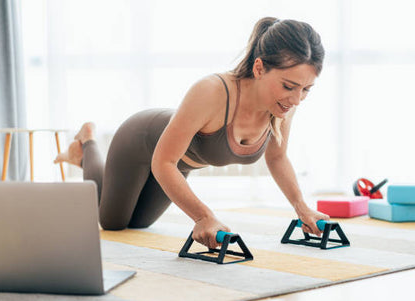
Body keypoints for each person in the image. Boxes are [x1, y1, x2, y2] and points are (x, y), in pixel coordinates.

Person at [55, 17, 330, 249]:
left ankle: (86, 152)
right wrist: (204, 217)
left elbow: (277, 158)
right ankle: (86, 146)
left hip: (177, 161)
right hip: (140, 141)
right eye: (289, 86)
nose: (296, 100)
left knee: (138, 223)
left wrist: (301, 207)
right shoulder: (212, 91)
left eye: (306, 89)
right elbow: (163, 162)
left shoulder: (283, 106)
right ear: (259, 68)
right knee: (113, 222)